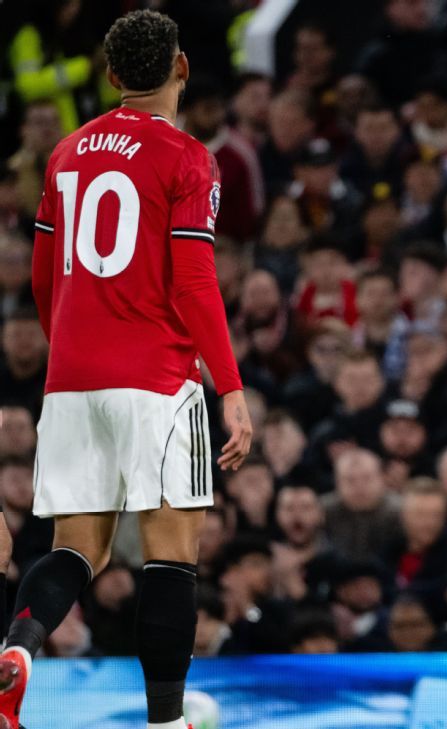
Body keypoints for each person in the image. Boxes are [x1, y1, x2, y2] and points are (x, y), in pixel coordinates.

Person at [0, 12, 253, 729]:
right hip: (158, 377)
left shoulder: (65, 153)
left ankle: (16, 649)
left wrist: (74, 354)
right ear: (181, 67)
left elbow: (43, 279)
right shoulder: (188, 157)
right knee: (172, 557)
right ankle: (166, 721)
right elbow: (194, 283)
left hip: (72, 378)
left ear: (111, 76)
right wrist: (231, 387)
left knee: (77, 548)